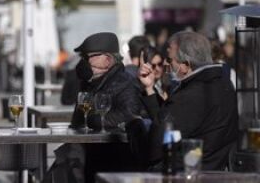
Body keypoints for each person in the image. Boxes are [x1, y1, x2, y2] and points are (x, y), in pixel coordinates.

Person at [138, 31, 238, 171]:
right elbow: (165, 122)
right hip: (211, 168)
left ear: (185, 65)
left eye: (169, 59)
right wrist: (149, 88)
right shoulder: (222, 83)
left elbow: (158, 144)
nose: (166, 63)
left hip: (189, 171)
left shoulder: (192, 93)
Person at [69, 32, 145, 182]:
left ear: (108, 60)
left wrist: (94, 119)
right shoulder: (92, 83)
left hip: (116, 163)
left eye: (88, 57)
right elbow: (77, 122)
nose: (83, 63)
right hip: (93, 158)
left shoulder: (126, 83)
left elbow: (130, 114)